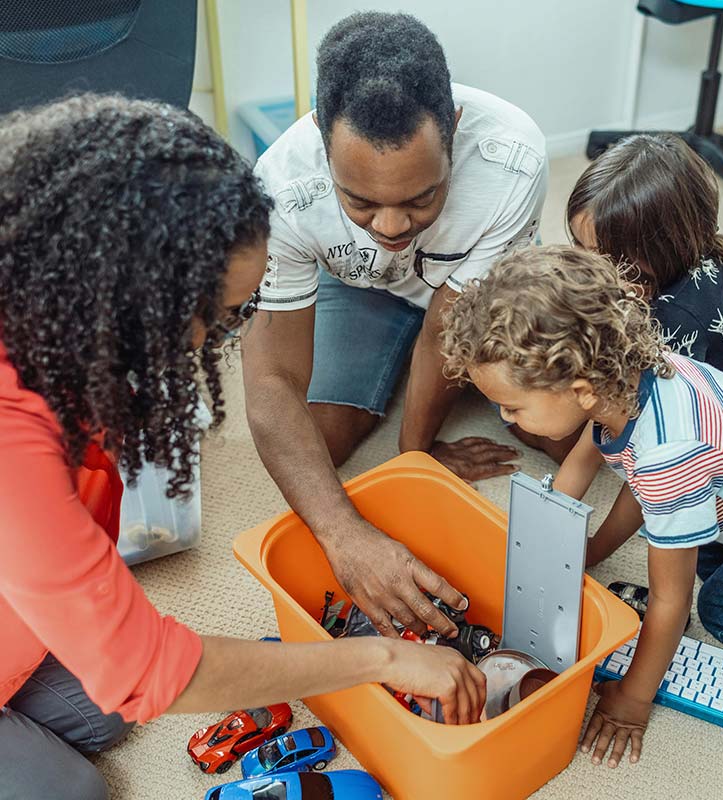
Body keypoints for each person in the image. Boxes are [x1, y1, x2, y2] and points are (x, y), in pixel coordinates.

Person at [0, 94, 486, 800]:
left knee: (104, 712)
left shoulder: (53, 322)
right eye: (220, 317)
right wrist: (381, 659)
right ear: (125, 292)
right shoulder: (13, 432)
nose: (211, 344)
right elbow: (151, 672)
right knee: (77, 785)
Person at [242, 11, 547, 639]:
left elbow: (447, 325)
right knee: (314, 452)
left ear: (454, 132)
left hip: (477, 299)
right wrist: (344, 537)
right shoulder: (279, 190)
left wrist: (416, 458)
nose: (390, 227)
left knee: (564, 431)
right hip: (359, 290)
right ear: (322, 144)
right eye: (360, 202)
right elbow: (271, 380)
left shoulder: (511, 157)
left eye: (420, 199)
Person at [441, 244, 723, 768]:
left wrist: (632, 701)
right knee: (687, 545)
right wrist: (567, 545)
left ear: (581, 390)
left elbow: (669, 601)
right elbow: (594, 460)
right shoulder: (631, 378)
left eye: (513, 406)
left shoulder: (668, 457)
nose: (505, 418)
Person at [554, 132, 723, 563]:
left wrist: (594, 552)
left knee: (692, 532)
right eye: (579, 248)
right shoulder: (681, 267)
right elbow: (589, 446)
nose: (587, 269)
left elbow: (650, 460)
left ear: (661, 249)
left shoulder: (676, 318)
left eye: (607, 258)